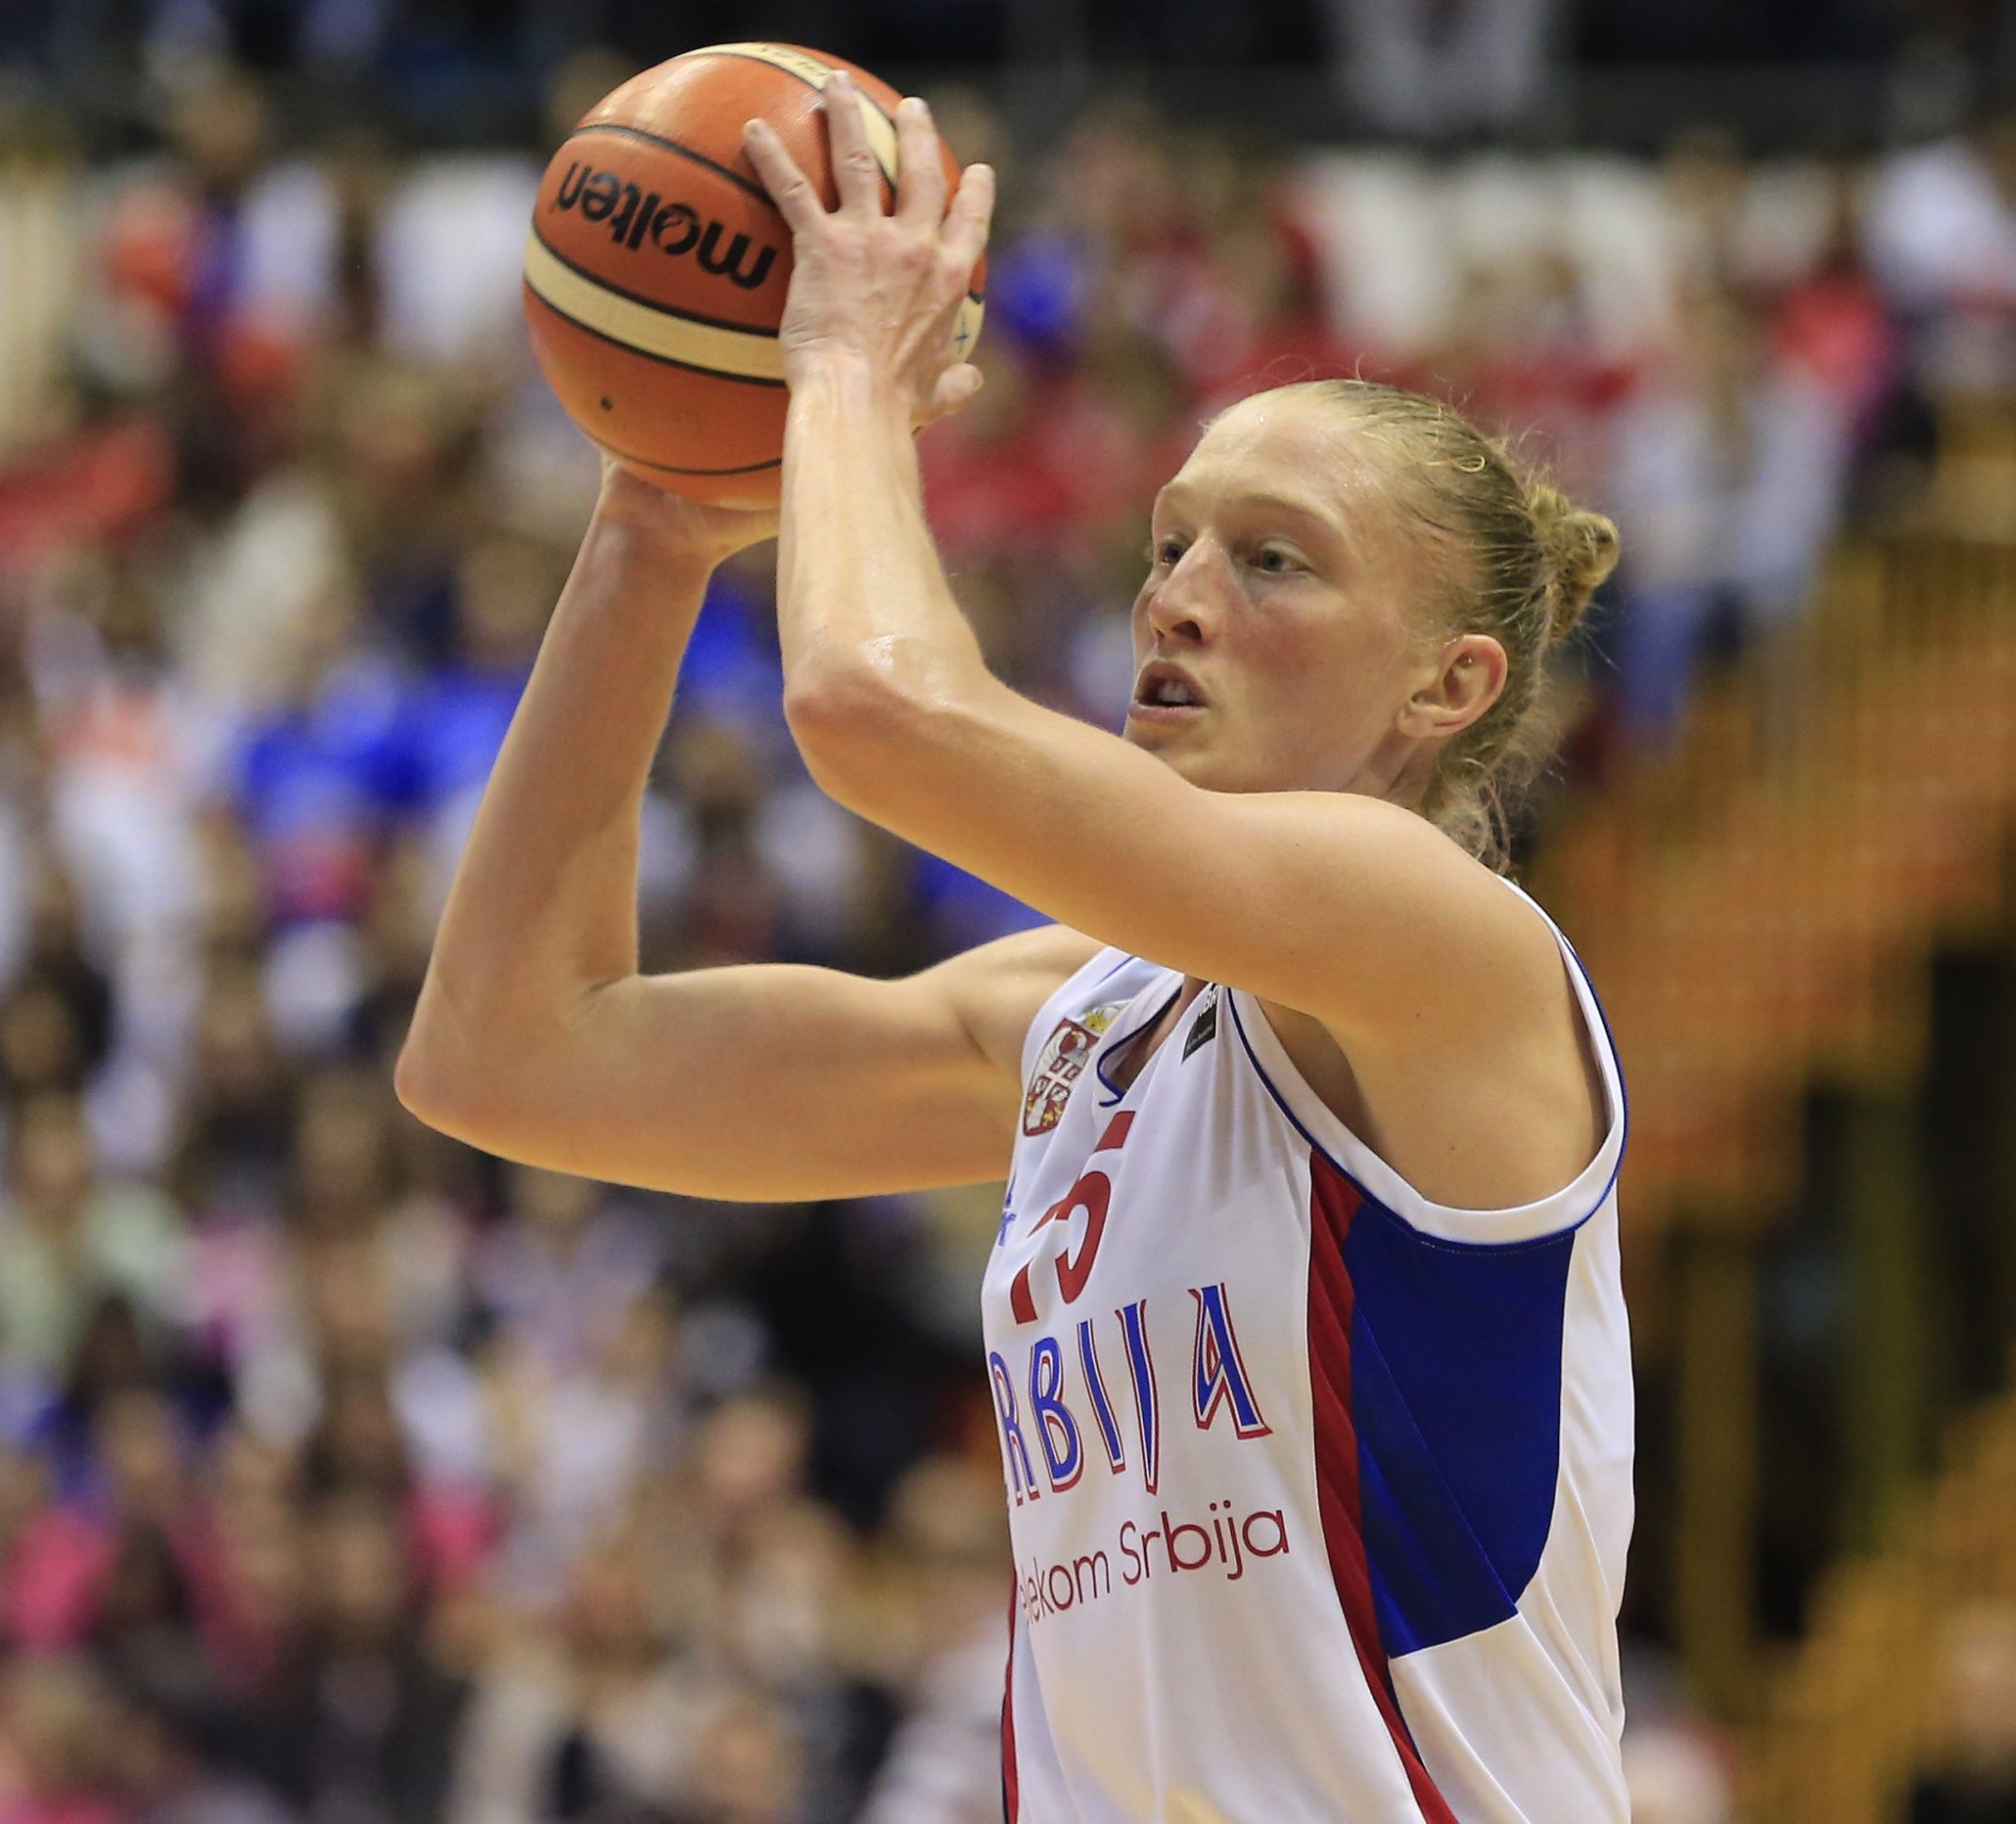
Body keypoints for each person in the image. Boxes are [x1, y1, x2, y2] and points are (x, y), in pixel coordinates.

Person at [396, 74, 1631, 1823]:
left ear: (1449, 688)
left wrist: (835, 364)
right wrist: (658, 518)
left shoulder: (1445, 941)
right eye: (1171, 541)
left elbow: (873, 711)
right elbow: (506, 1051)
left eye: (1275, 562)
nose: (1181, 594)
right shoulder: (1079, 1015)